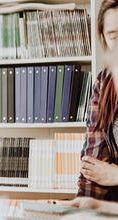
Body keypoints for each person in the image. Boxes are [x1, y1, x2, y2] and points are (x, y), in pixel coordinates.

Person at [78, 0, 118, 202]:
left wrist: (115, 175)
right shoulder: (104, 82)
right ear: (104, 39)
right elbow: (93, 162)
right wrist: (83, 205)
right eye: (114, 36)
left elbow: (109, 174)